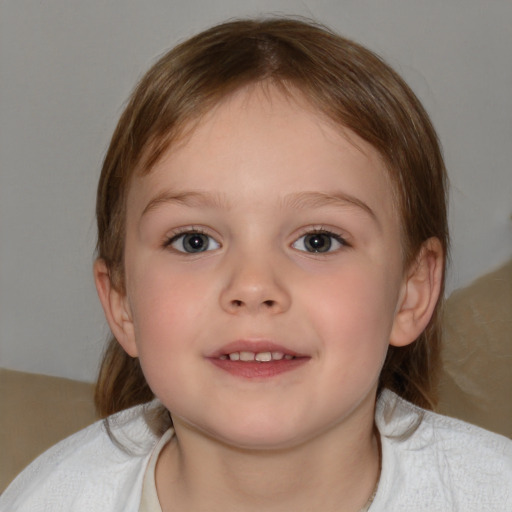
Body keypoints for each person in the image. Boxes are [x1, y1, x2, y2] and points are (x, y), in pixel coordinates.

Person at [1, 17, 510, 512]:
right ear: (122, 302)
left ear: (412, 291)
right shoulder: (50, 498)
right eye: (195, 241)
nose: (252, 286)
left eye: (318, 241)